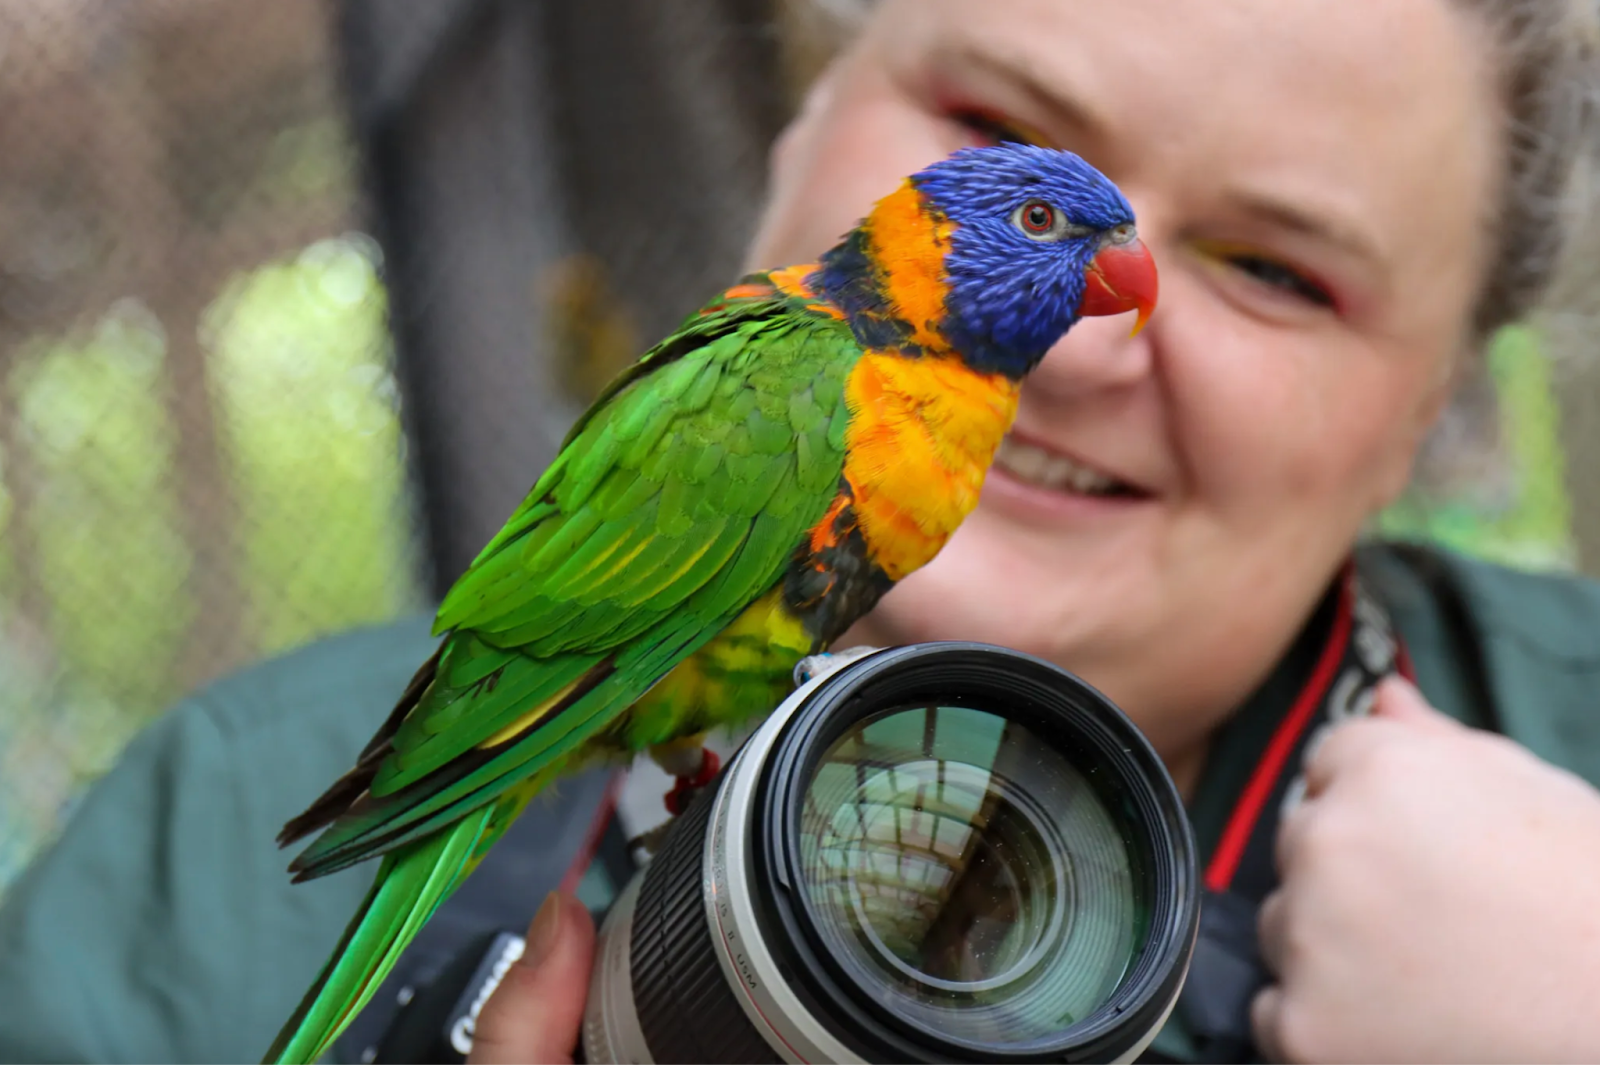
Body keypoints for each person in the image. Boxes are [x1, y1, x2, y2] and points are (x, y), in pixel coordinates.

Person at [3, 0, 1600, 1062]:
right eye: (1001, 131)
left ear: (1435, 409)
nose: (1127, 311)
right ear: (803, 124)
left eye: (1279, 269)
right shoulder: (793, 390)